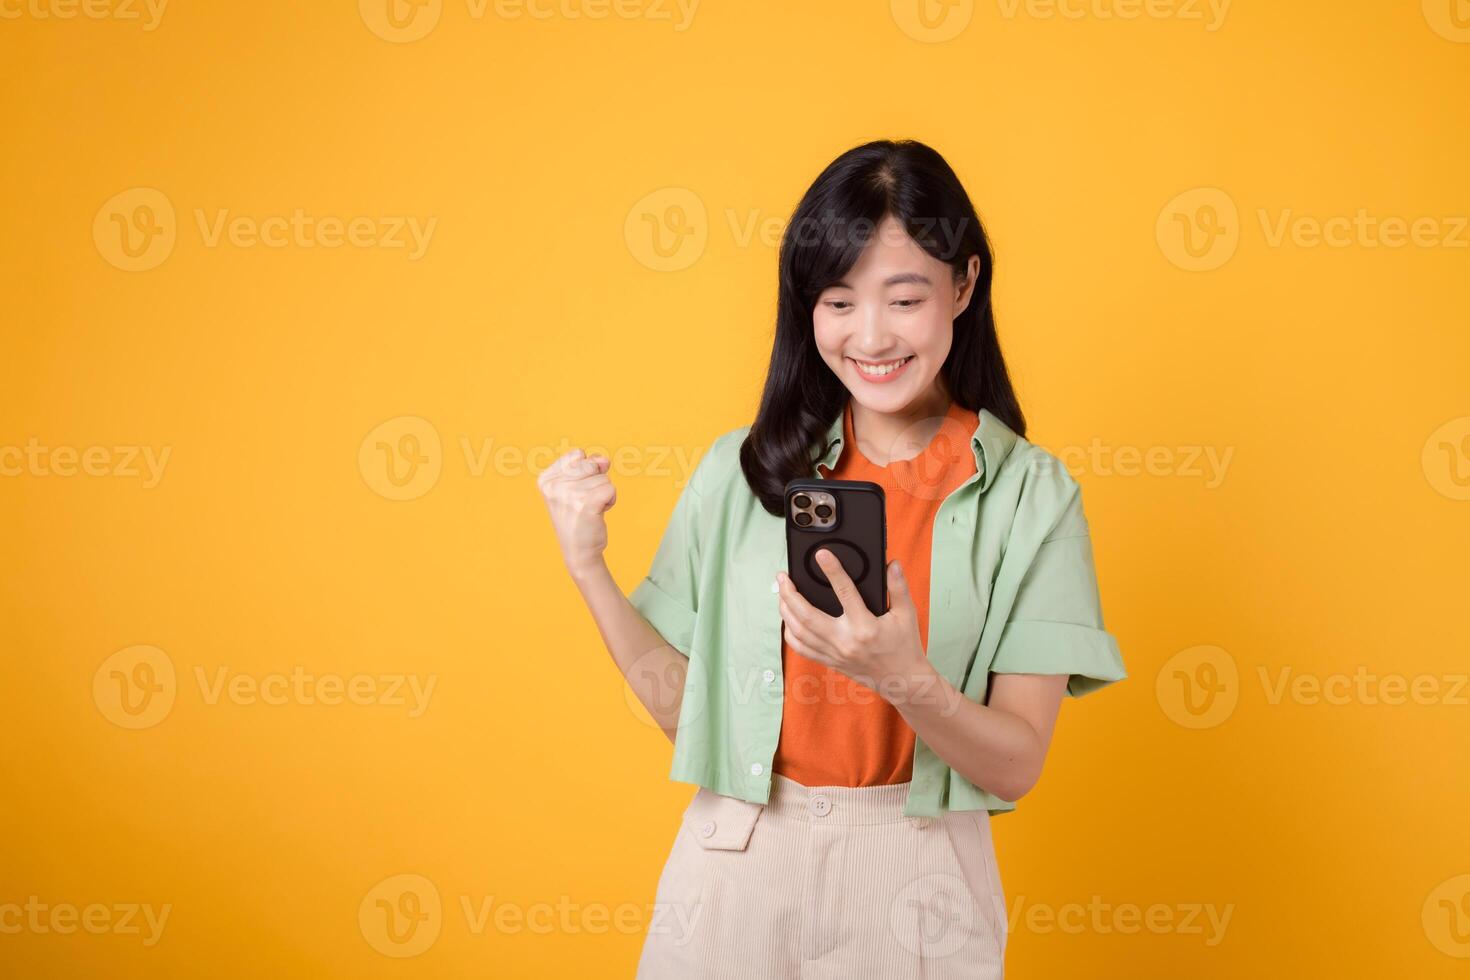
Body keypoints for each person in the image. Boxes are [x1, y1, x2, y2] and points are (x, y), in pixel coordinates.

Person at [537, 138, 1127, 979]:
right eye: (839, 301)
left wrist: (904, 677)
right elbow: (683, 716)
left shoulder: (1031, 497)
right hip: (736, 853)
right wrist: (588, 566)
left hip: (917, 871)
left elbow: (1016, 762)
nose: (871, 335)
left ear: (963, 286)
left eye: (905, 296)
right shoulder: (742, 471)